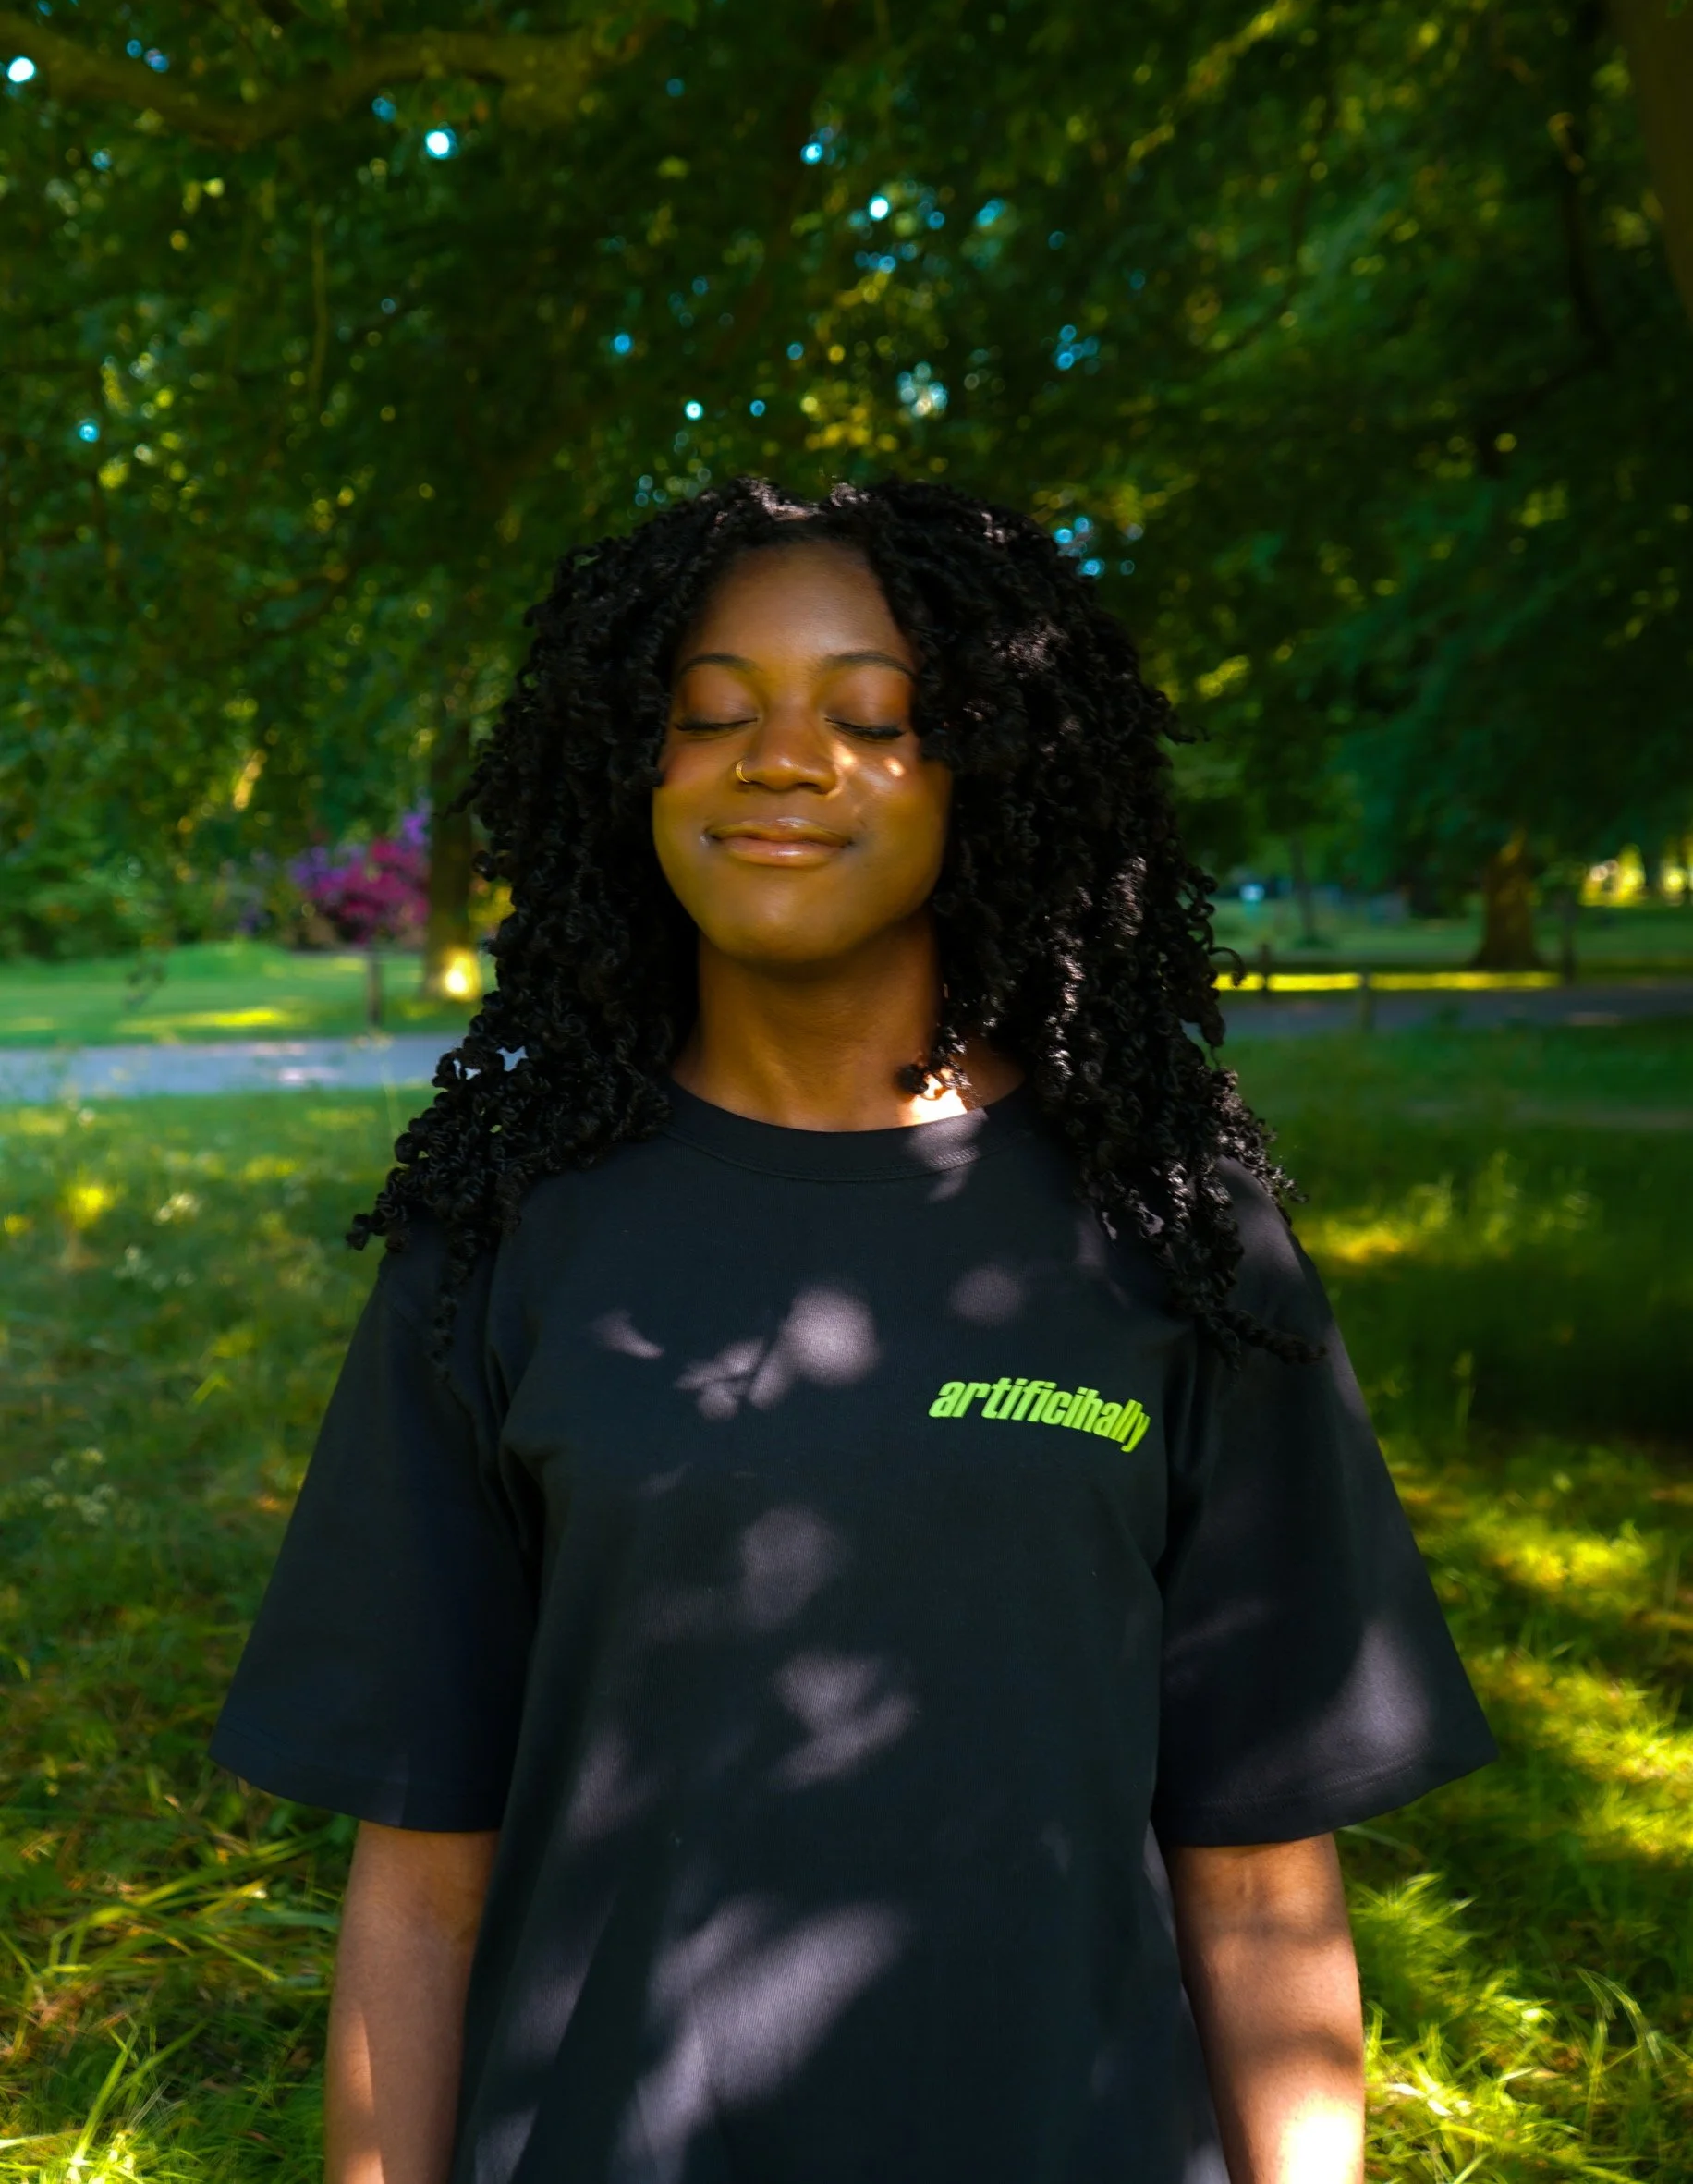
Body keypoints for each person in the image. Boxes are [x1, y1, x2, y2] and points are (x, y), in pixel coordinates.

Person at [211, 476, 1495, 2184]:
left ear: (993, 768)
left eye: (875, 716)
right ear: (629, 768)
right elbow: (423, 1879)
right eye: (711, 714)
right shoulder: (504, 1233)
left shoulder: (1173, 1232)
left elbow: (1261, 1880)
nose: (784, 760)